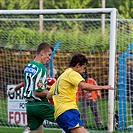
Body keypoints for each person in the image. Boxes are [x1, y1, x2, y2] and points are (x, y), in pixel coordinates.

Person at [47, 53, 114, 133]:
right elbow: (84, 86)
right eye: (83, 68)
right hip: (68, 110)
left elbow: (49, 95)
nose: (84, 71)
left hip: (59, 114)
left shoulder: (62, 77)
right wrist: (103, 87)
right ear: (78, 65)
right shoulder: (72, 73)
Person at [23, 42, 55, 133]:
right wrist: (54, 94)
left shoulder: (29, 66)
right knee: (68, 119)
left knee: (38, 131)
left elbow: (33, 85)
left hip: (29, 106)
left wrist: (48, 87)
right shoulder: (41, 69)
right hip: (40, 104)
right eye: (49, 55)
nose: (49, 58)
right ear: (42, 53)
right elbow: (38, 91)